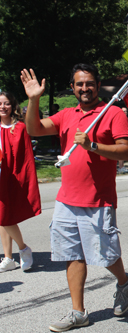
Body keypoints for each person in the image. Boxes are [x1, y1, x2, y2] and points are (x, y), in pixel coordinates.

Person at [20, 64, 128, 332]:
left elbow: (126, 151)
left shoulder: (112, 113)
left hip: (98, 201)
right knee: (73, 256)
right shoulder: (65, 115)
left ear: (98, 85)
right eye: (79, 84)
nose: (85, 88)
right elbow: (34, 129)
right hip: (66, 201)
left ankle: (124, 281)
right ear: (72, 88)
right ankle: (78, 312)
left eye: (90, 83)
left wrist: (92, 146)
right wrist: (33, 99)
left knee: (106, 256)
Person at [0, 92, 41, 273]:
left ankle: (23, 248)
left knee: (4, 217)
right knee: (2, 218)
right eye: (0, 103)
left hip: (11, 177)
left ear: (13, 105)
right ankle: (9, 257)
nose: (3, 107)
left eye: (6, 103)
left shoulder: (20, 128)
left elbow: (25, 158)